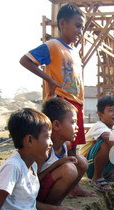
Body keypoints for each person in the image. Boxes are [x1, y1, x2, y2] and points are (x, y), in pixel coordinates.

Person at [19, 3, 85, 157]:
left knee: (73, 146)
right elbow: (25, 60)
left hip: (76, 103)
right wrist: (49, 80)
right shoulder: (53, 46)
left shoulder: (75, 52)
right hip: (61, 103)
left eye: (81, 28)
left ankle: (71, 178)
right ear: (63, 23)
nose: (80, 32)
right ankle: (54, 175)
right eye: (77, 26)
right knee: (59, 143)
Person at [38, 97, 95, 206]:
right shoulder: (44, 150)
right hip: (38, 195)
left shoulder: (65, 145)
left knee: (81, 161)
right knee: (69, 169)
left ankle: (62, 198)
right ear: (56, 125)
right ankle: (52, 206)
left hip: (49, 186)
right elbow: (33, 180)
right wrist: (57, 164)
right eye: (73, 122)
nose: (77, 128)